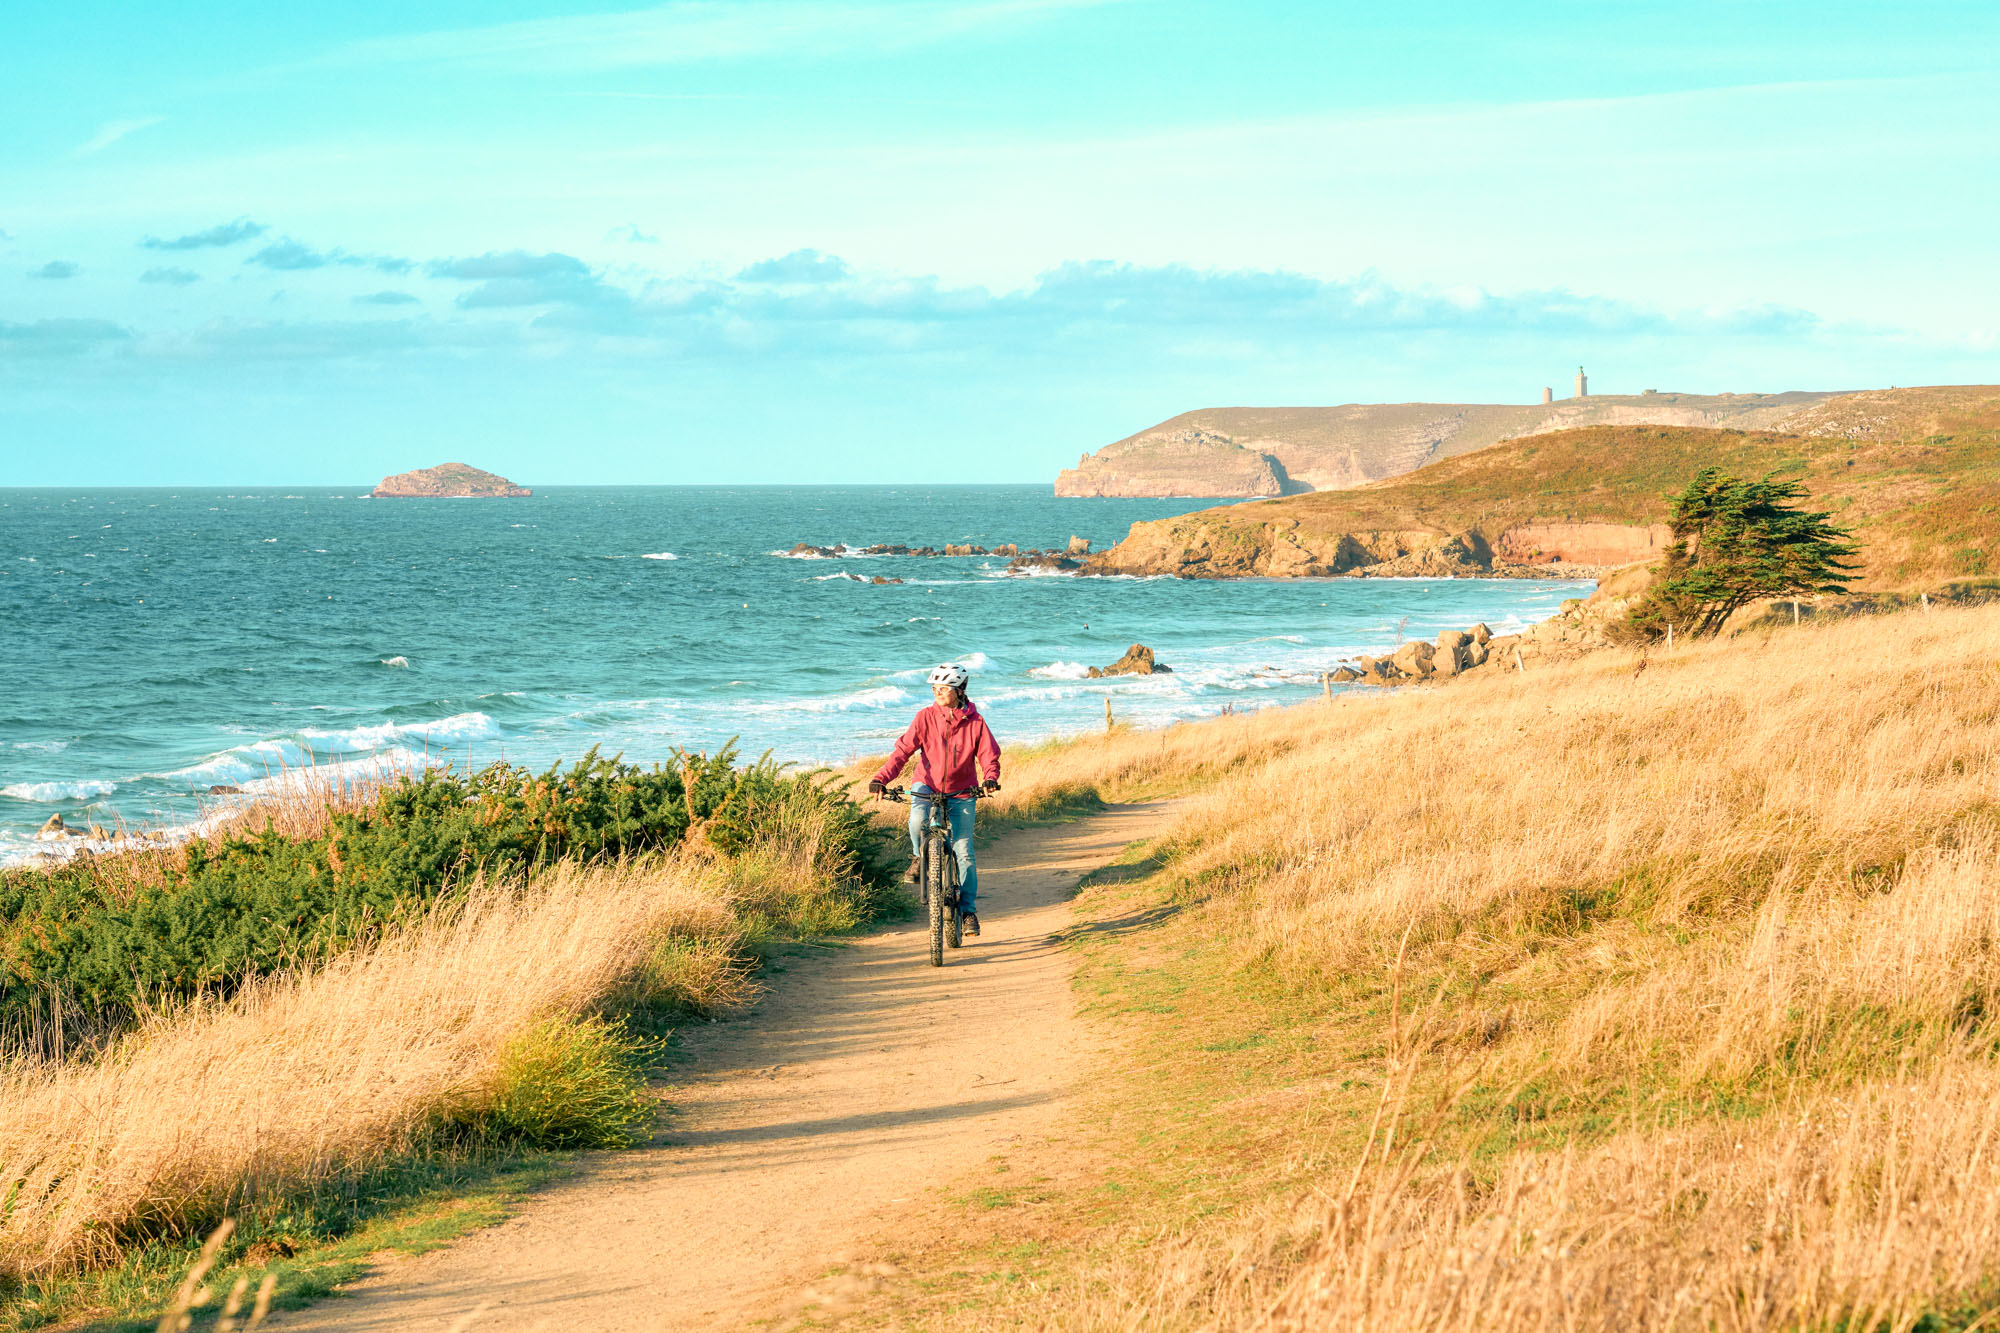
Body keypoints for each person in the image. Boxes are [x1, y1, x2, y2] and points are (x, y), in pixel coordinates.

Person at [868, 663, 1001, 935]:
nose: (937, 692)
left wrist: (990, 778)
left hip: (962, 791)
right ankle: (918, 857)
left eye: (944, 688)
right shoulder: (925, 717)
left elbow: (989, 755)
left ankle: (968, 912)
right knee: (917, 818)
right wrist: (881, 778)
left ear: (959, 690)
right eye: (935, 688)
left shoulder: (976, 722)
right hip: (926, 784)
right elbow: (902, 751)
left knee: (963, 851)